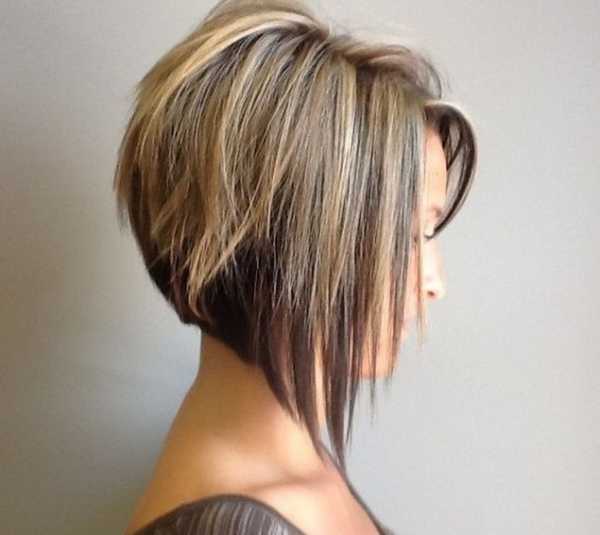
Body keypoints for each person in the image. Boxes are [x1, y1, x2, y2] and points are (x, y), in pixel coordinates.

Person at [113, 1, 478, 533]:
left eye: (426, 232)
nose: (433, 283)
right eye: (399, 237)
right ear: (272, 243)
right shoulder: (235, 522)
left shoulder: (297, 461)